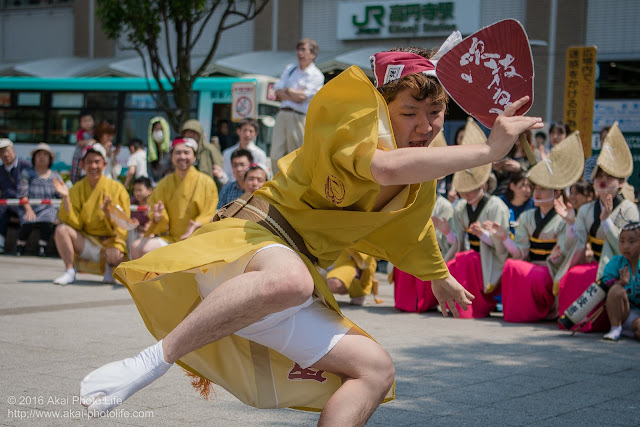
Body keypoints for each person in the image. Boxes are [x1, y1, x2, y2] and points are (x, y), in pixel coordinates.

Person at [79, 46, 542, 424]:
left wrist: (438, 276)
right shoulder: (351, 113)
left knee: (375, 371)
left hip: (287, 281)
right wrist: (485, 150)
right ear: (382, 107)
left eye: (436, 112)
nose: (425, 126)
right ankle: (151, 361)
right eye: (410, 112)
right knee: (292, 280)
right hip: (250, 242)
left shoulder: (422, 168)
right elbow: (382, 168)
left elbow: (415, 229)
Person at [488, 132, 584, 322]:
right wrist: (505, 238)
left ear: (556, 192)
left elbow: (568, 249)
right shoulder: (527, 216)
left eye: (542, 189)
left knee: (526, 271)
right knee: (512, 265)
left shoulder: (565, 216)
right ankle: (522, 312)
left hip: (552, 269)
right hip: (532, 264)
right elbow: (522, 253)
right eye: (535, 189)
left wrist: (571, 224)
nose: (536, 193)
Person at [556, 122, 639, 332]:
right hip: (594, 259)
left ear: (621, 182)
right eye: (599, 176)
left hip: (618, 263)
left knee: (595, 275)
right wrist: (571, 224)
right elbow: (579, 243)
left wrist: (605, 220)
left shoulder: (629, 208)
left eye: (608, 177)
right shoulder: (585, 210)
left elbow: (627, 246)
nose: (602, 181)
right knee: (574, 273)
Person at [440, 121, 511, 318]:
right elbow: (459, 241)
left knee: (467, 259)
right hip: (468, 255)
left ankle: (473, 306)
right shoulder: (461, 207)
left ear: (483, 184)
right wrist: (447, 232)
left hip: (487, 259)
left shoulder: (496, 205)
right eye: (464, 190)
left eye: (472, 189)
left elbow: (501, 243)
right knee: (454, 263)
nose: (468, 194)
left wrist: (486, 235)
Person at [52, 144, 130, 285]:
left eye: (97, 162)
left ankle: (109, 269)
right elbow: (73, 222)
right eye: (89, 162)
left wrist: (109, 213)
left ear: (104, 164)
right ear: (82, 165)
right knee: (61, 230)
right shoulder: (77, 189)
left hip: (110, 242)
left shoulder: (117, 188)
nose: (93, 166)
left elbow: (123, 224)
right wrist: (66, 199)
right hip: (86, 241)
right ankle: (69, 271)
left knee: (116, 252)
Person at [129, 138, 219, 260]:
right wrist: (157, 218)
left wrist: (197, 224)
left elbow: (209, 213)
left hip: (196, 239)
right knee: (137, 248)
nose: (182, 156)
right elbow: (159, 220)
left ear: (194, 157)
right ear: (171, 157)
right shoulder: (164, 184)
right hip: (171, 239)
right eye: (178, 153)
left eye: (186, 153)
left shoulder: (207, 182)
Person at [270, 38, 325, 175]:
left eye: (303, 50)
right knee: (276, 155)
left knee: (296, 156)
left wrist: (287, 91)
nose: (300, 53)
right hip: (282, 114)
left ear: (313, 54)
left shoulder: (316, 75)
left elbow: (303, 97)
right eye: (298, 50)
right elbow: (277, 91)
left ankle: (295, 188)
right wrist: (294, 93)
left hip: (299, 117)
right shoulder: (290, 69)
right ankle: (278, 188)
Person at [15, 143, 62, 257]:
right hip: (29, 206)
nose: (42, 157)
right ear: (34, 157)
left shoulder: (55, 176)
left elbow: (60, 195)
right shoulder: (27, 173)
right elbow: (22, 193)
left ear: (50, 159)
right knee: (28, 221)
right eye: (39, 154)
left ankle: (42, 247)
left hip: (48, 208)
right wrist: (28, 209)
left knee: (49, 219)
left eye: (45, 155)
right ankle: (20, 246)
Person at [601, 222, 640, 341]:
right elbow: (605, 283)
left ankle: (634, 330)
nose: (625, 246)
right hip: (624, 313)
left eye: (631, 242)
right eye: (622, 241)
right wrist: (621, 282)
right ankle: (615, 328)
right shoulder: (616, 262)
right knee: (616, 289)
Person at [0, 138, 32, 254]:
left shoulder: (25, 165)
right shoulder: (0, 170)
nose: (5, 154)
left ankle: (20, 246)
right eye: (2, 152)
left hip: (24, 202)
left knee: (26, 216)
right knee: (2, 209)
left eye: (7, 151)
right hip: (7, 205)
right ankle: (1, 243)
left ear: (13, 151)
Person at [181, 119, 227, 189]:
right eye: (188, 132)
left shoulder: (210, 150)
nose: (191, 135)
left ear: (200, 134)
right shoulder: (180, 152)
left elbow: (219, 171)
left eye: (193, 132)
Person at [70, 110, 94, 184]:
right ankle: (74, 184)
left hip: (88, 158)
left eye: (89, 120)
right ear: (80, 123)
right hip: (78, 156)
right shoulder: (80, 132)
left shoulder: (95, 132)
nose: (87, 123)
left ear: (93, 121)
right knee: (75, 173)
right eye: (85, 121)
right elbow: (80, 143)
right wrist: (89, 141)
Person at [147, 117, 172, 184]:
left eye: (161, 129)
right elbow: (149, 172)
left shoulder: (172, 149)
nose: (158, 132)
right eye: (156, 129)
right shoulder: (150, 150)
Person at [129, 177, 152, 245]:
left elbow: (150, 229)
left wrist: (138, 226)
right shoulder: (131, 203)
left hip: (148, 236)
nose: (137, 193)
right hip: (132, 235)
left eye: (140, 190)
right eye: (135, 190)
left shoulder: (153, 205)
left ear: (149, 190)